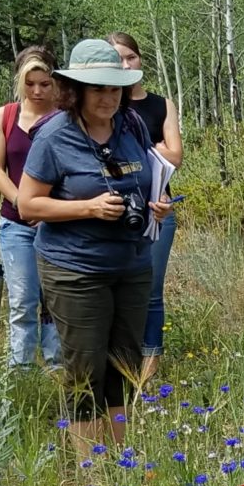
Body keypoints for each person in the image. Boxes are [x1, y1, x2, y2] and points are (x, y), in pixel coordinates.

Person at [16, 40, 172, 443]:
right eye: (98, 88)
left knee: (124, 363)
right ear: (76, 90)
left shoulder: (131, 125)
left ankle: (120, 459)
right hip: (75, 268)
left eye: (114, 88)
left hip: (133, 262)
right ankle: (90, 471)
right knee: (86, 368)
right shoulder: (54, 136)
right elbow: (27, 205)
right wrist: (88, 209)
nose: (108, 97)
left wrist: (158, 203)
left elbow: (150, 177)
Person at [108, 32, 184, 381]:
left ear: (140, 59)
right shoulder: (107, 106)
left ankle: (149, 371)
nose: (125, 64)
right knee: (114, 287)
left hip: (159, 208)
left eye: (130, 57)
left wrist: (138, 151)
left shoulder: (160, 105)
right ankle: (117, 362)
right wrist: (152, 147)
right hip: (113, 210)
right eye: (117, 59)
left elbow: (176, 155)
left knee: (151, 290)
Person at [0, 48, 62, 369]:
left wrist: (47, 210)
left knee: (55, 301)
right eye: (30, 83)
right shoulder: (3, 117)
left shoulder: (65, 117)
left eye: (45, 83)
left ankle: (57, 367)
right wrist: (23, 203)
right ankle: (20, 371)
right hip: (16, 224)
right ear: (20, 82)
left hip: (59, 223)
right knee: (22, 301)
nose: (37, 91)